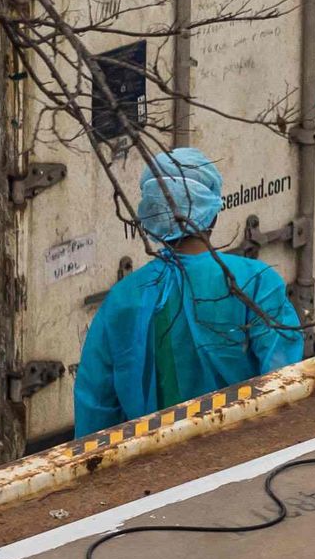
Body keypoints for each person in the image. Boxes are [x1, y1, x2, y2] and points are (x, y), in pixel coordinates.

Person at [74, 149, 303, 438]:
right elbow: (284, 383)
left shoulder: (121, 300)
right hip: (246, 455)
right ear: (213, 213)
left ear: (151, 216)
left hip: (153, 466)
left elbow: (95, 410)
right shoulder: (255, 282)